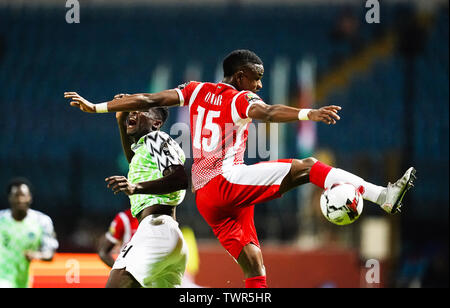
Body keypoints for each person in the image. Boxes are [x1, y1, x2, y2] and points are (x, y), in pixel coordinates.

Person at [65, 49, 416, 288]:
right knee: (308, 167)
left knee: (254, 266)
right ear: (239, 76)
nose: (259, 85)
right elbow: (267, 113)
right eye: (256, 78)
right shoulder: (240, 98)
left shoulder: (195, 90)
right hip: (226, 179)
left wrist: (96, 107)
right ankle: (382, 196)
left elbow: (148, 99)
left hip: (206, 200)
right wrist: (308, 114)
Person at [98, 107, 189, 288]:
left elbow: (179, 179)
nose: (133, 113)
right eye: (132, 111)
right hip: (165, 232)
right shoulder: (147, 149)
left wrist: (135, 187)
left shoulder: (156, 138)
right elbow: (134, 160)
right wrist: (119, 120)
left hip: (156, 230)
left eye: (142, 111)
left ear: (156, 123)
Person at [0, 178, 58, 288]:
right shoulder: (1, 220)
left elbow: (50, 252)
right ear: (10, 198)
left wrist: (38, 255)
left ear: (30, 198)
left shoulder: (42, 222)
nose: (20, 200)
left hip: (25, 280)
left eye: (23, 195)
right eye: (16, 196)